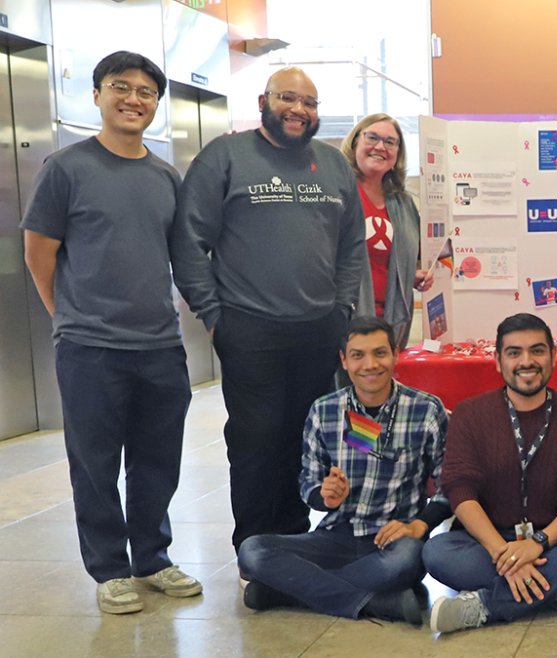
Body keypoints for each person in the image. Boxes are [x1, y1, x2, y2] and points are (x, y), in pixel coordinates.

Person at [21, 51, 201, 614]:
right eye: (120, 87)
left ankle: (152, 558)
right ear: (96, 95)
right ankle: (109, 569)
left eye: (147, 92)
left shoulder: (166, 176)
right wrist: (70, 319)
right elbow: (37, 255)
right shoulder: (66, 168)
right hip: (90, 348)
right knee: (94, 463)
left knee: (157, 461)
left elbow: (181, 258)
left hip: (160, 345)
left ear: (156, 104)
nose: (133, 99)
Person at [171, 67, 367, 553]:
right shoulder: (225, 156)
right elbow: (189, 241)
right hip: (248, 327)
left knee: (304, 439)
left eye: (310, 103)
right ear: (264, 100)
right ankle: (257, 549)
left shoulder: (334, 165)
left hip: (319, 328)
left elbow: (351, 247)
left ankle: (294, 542)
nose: (299, 110)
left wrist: (341, 309)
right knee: (256, 442)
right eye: (288, 98)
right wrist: (214, 316)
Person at [421, 313, 557, 634]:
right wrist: (502, 553)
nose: (526, 361)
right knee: (437, 552)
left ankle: (486, 606)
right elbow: (459, 489)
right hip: (488, 542)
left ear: (553, 357)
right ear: (498, 361)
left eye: (537, 351)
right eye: (514, 352)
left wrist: (539, 544)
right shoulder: (469, 414)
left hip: (554, 540)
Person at [236, 317, 447, 624]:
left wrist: (418, 526)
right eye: (358, 355)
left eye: (380, 353)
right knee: (252, 550)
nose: (370, 365)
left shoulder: (426, 410)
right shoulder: (324, 410)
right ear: (344, 361)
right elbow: (308, 481)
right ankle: (379, 602)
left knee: (407, 562)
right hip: (336, 536)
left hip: (395, 539)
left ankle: (283, 593)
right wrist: (324, 496)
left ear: (396, 354)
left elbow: (450, 486)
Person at [342, 114, 433, 350]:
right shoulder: (337, 195)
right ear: (355, 143)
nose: (380, 147)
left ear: (397, 154)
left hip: (391, 324)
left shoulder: (403, 203)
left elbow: (393, 261)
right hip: (344, 323)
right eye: (372, 137)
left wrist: (409, 275)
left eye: (390, 142)